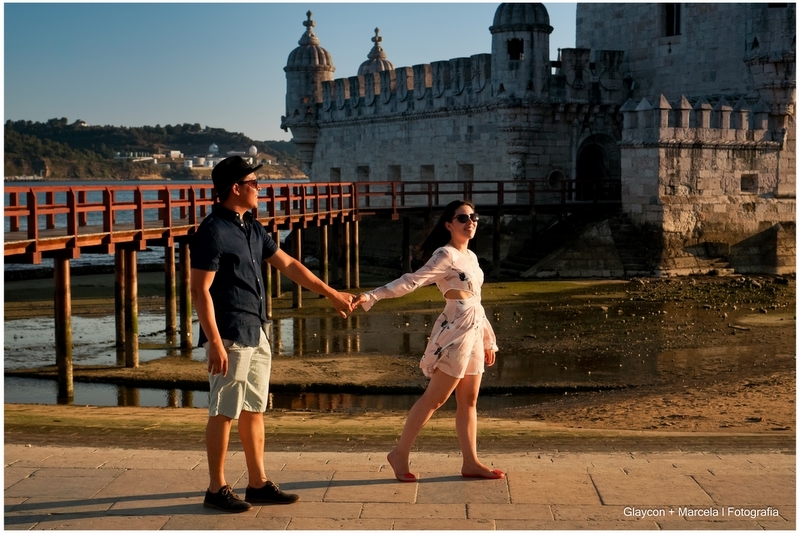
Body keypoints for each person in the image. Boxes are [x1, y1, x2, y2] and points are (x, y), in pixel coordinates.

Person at [191, 156, 356, 512]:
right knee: (223, 411)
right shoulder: (213, 231)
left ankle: (258, 483)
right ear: (235, 188)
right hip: (232, 333)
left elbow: (290, 265)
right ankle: (215, 488)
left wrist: (332, 294)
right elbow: (199, 290)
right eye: (253, 183)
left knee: (254, 408)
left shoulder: (251, 227)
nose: (259, 188)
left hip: (258, 329)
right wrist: (215, 342)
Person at [353, 200, 503, 482]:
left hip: (473, 330)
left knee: (469, 399)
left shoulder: (470, 256)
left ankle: (470, 462)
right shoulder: (444, 255)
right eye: (462, 218)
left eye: (474, 217)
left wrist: (487, 339)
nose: (470, 221)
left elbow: (476, 301)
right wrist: (371, 295)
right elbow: (412, 281)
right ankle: (399, 453)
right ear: (449, 224)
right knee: (436, 398)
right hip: (455, 333)